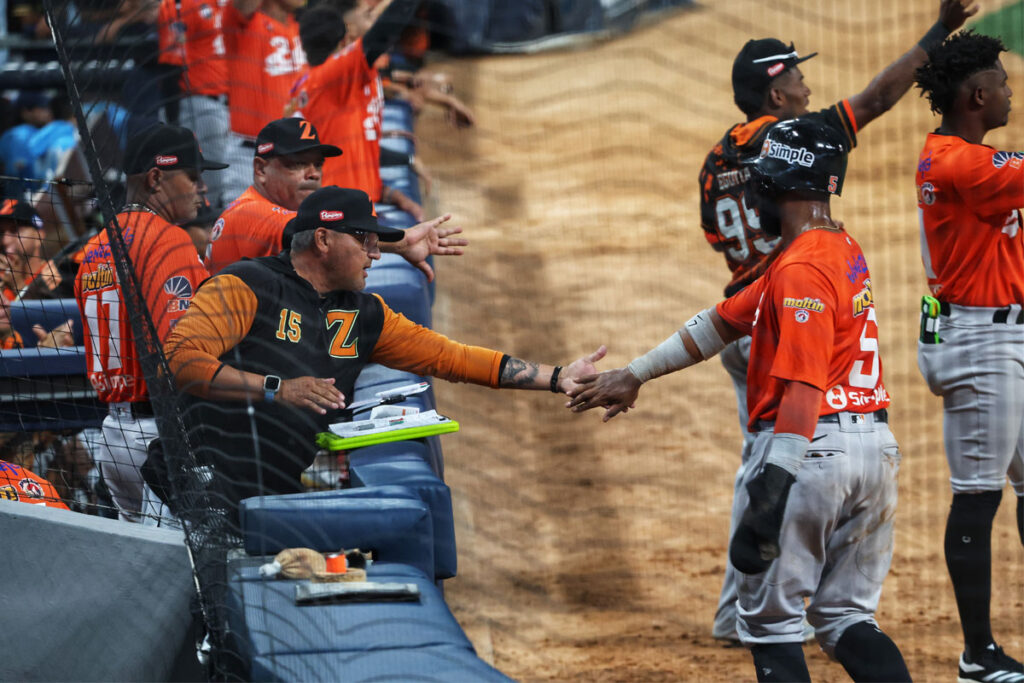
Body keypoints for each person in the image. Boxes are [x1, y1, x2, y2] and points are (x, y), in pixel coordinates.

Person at [570, 119, 909, 683]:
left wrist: (772, 489)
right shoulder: (839, 247)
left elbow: (803, 386)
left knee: (771, 626)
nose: (754, 192)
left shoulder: (798, 269)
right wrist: (635, 374)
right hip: (875, 450)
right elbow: (720, 322)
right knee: (847, 618)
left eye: (763, 180)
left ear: (783, 185)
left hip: (812, 453)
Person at [698, 0, 977, 644]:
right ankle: (787, 611)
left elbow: (717, 235)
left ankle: (737, 611)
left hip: (741, 316)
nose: (807, 85)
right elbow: (879, 96)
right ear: (775, 87)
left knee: (761, 458)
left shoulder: (716, 159)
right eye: (797, 76)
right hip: (794, 316)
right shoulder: (799, 141)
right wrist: (940, 33)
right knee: (793, 456)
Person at [165, 185, 606, 518]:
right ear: (322, 240)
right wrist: (275, 389)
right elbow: (181, 361)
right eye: (364, 240)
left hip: (267, 495)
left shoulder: (363, 314)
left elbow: (451, 357)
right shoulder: (246, 284)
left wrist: (557, 376)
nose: (376, 253)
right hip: (190, 487)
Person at [912, 30, 1024, 683]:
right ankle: (976, 653)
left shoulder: (963, 157)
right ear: (978, 95)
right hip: (982, 343)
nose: (1012, 91)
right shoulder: (960, 162)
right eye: (1005, 83)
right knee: (977, 497)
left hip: (1000, 334)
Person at [74, 123, 226, 524]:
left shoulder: (96, 247)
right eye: (192, 177)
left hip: (113, 432)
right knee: (182, 568)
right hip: (160, 437)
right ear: (157, 178)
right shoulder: (168, 241)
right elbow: (178, 357)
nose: (202, 189)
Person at [206, 117, 464, 278]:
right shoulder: (248, 212)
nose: (313, 175)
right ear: (261, 170)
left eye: (317, 165)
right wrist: (401, 242)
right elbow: (314, 233)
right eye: (297, 164)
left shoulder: (283, 210)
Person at [290, 0, 422, 219]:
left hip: (345, 206)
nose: (373, 22)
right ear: (347, 32)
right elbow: (383, 33)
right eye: (367, 16)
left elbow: (349, 150)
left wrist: (390, 194)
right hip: (337, 215)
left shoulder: (325, 79)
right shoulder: (331, 76)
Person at [218, 0, 307, 203]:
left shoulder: (296, 26)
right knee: (244, 231)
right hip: (250, 156)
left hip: (293, 159)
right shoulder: (244, 22)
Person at [157, 0, 231, 210]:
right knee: (210, 188)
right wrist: (173, 126)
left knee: (222, 185)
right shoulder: (179, 4)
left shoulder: (222, 4)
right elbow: (170, 65)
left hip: (225, 104)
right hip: (196, 104)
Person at [0, 198, 61, 302]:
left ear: (39, 235)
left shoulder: (53, 274)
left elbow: (52, 315)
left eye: (15, 230)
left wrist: (18, 287)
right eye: (0, 233)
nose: (5, 240)